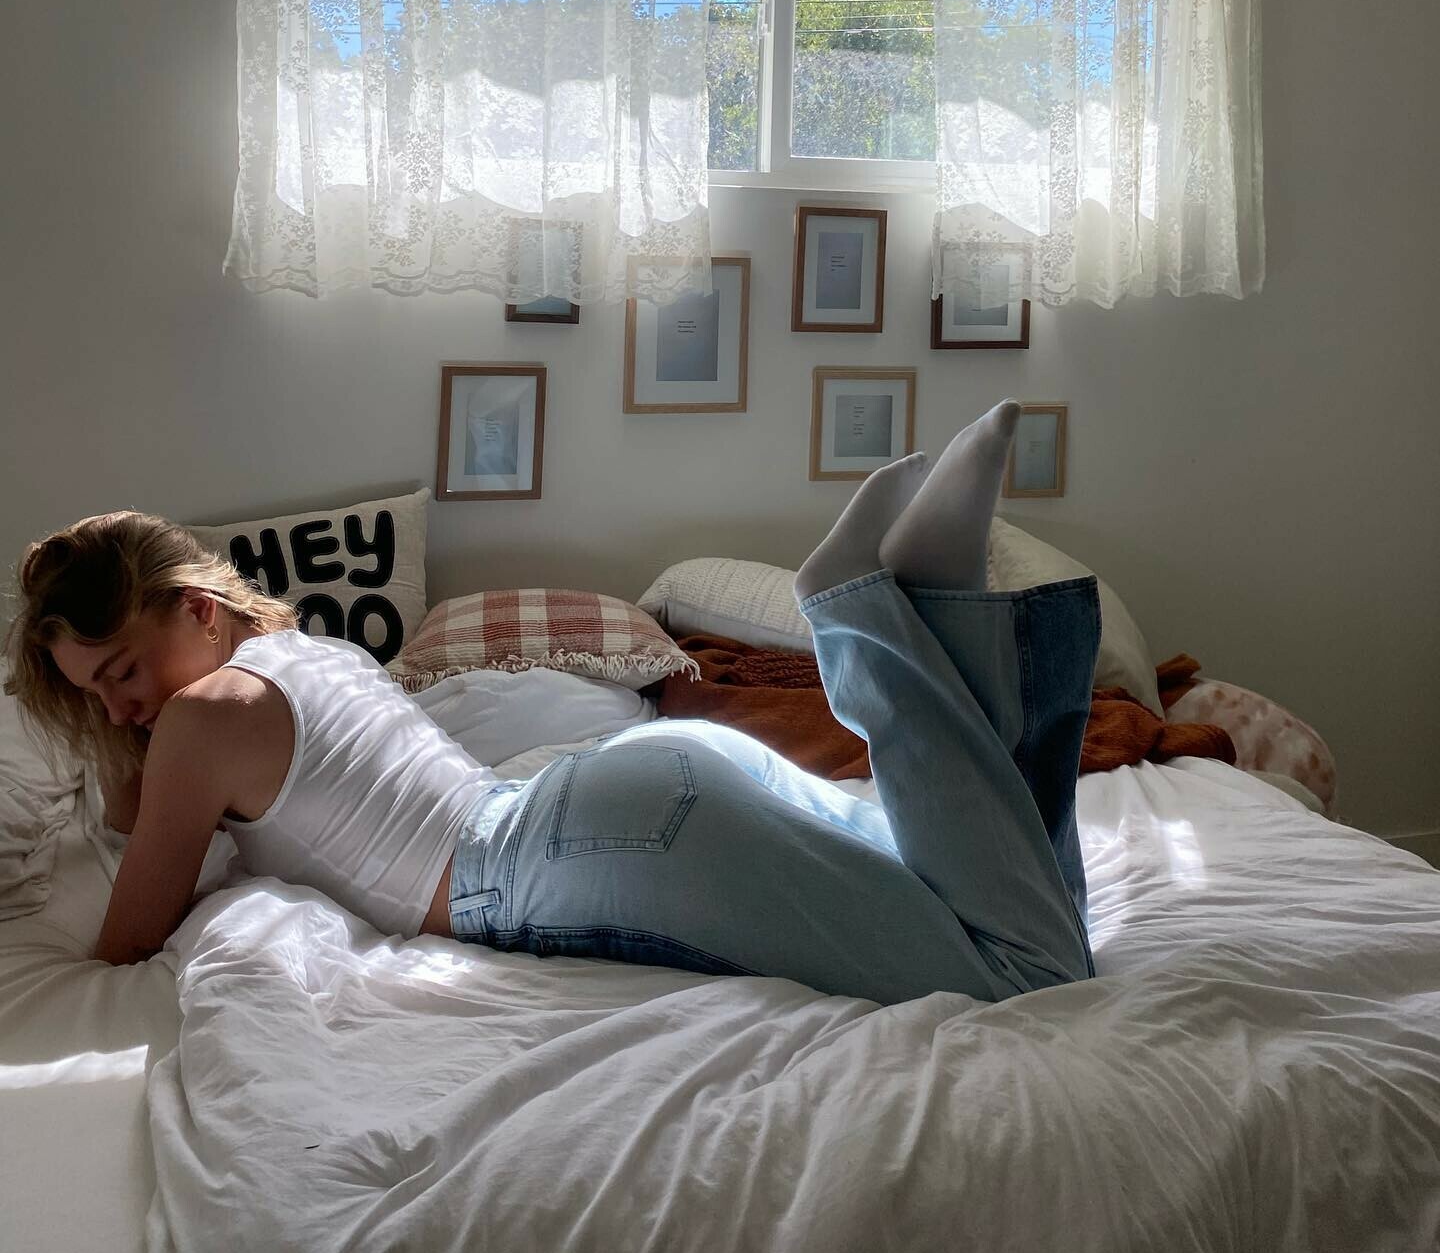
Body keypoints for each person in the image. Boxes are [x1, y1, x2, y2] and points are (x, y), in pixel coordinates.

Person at [5, 402, 1100, 1006]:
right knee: (972, 888)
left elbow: (125, 937)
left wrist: (134, 743)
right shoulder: (315, 653)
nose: (123, 709)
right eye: (95, 695)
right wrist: (115, 706)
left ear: (197, 608)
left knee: (1027, 973)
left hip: (582, 853)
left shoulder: (206, 717)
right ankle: (938, 605)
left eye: (121, 671)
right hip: (629, 793)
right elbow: (144, 813)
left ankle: (868, 619)